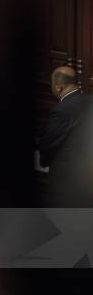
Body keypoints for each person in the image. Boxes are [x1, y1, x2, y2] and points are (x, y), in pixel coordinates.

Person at [37, 66, 93, 206]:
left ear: (59, 87)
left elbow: (47, 145)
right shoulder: (91, 101)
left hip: (66, 185)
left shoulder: (61, 111)